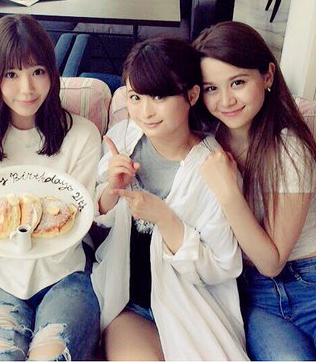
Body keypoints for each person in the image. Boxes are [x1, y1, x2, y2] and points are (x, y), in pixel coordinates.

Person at [193, 21, 316, 361]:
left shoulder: (288, 147)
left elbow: (271, 261)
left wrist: (228, 192)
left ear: (268, 76)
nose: (226, 100)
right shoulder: (205, 147)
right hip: (255, 296)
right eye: (212, 88)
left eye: (238, 82)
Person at [0, 14, 101, 361]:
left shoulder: (82, 135)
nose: (27, 89)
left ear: (52, 73)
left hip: (66, 274)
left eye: (37, 71)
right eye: (11, 74)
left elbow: (80, 220)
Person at [91, 36, 247, 361]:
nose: (145, 111)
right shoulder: (124, 139)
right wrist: (112, 189)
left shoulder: (212, 167)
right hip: (129, 305)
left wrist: (165, 219)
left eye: (159, 96)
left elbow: (223, 267)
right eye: (135, 97)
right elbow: (97, 218)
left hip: (191, 310)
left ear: (192, 95)